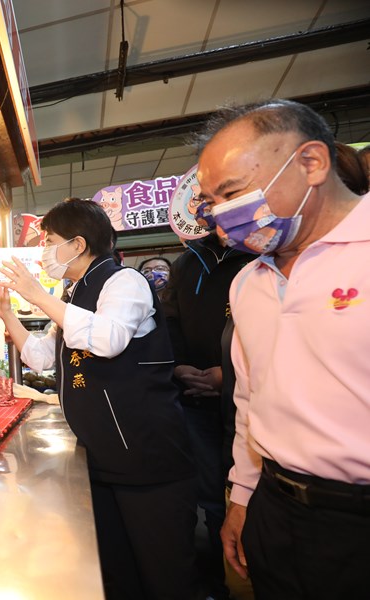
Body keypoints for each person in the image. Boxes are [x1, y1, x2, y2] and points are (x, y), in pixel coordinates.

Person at [195, 99, 370, 597]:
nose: (222, 215)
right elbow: (251, 400)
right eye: (213, 202)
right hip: (275, 506)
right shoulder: (248, 282)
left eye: (232, 192)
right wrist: (243, 497)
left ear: (311, 163)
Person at [0, 198, 197, 600]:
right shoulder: (75, 291)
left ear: (78, 244)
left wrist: (37, 294)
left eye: (49, 240)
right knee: (116, 573)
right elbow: (44, 358)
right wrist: (7, 313)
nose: (44, 250)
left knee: (166, 576)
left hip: (147, 461)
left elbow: (108, 340)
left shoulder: (125, 282)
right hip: (100, 459)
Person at [162, 232, 255, 600]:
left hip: (246, 398)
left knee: (246, 496)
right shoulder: (187, 262)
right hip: (195, 397)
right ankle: (220, 583)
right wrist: (178, 366)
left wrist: (226, 374)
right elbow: (169, 320)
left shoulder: (257, 254)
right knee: (213, 499)